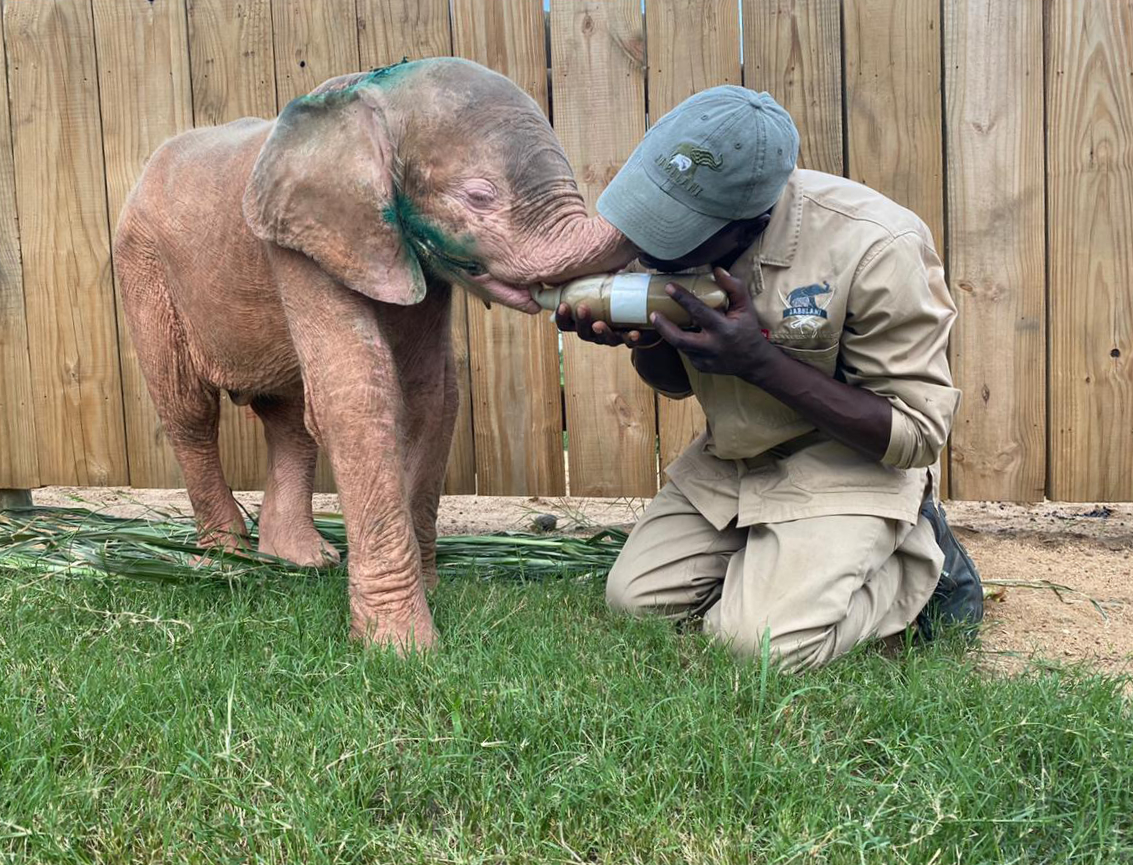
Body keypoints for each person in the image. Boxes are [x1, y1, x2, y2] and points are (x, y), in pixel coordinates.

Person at [555, 86, 983, 669]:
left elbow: (917, 434)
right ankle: (784, 565)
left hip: (849, 464)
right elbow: (675, 383)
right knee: (633, 602)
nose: (649, 248)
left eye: (674, 230)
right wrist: (646, 339)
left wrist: (760, 363)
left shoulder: (877, 245)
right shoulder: (665, 238)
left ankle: (920, 570)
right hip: (737, 461)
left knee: (755, 649)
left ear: (750, 222)